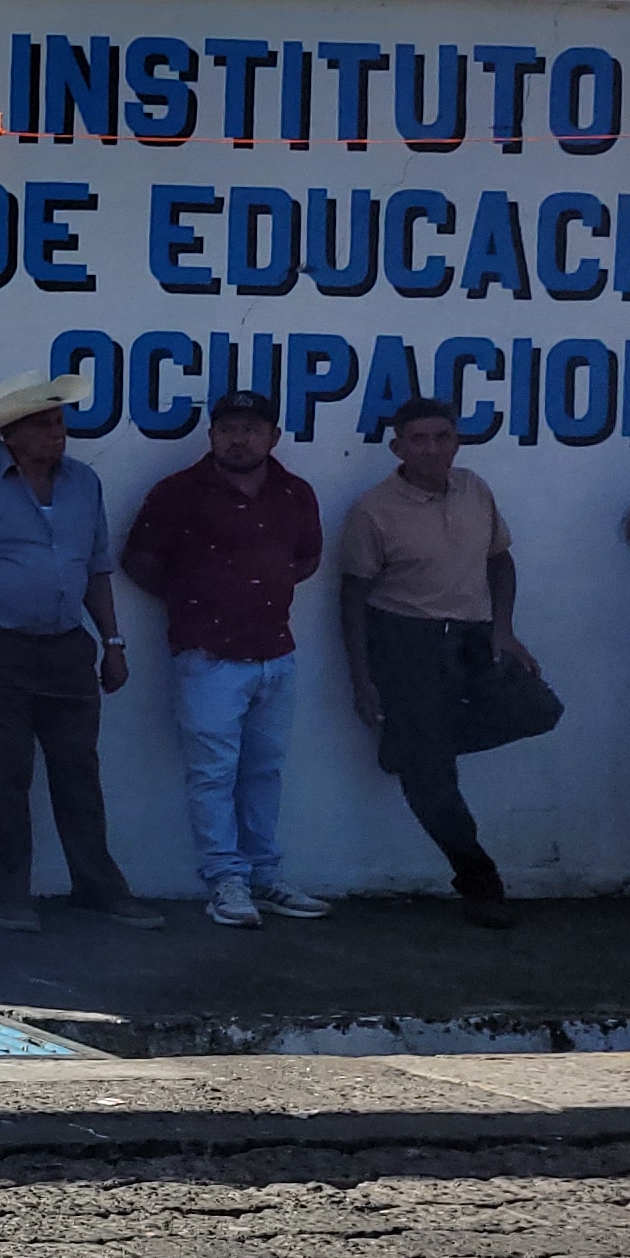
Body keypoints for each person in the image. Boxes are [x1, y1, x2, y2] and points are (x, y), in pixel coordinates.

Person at [0, 369, 162, 935]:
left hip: (66, 647)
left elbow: (97, 569)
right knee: (4, 774)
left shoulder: (84, 484)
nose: (57, 434)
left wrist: (113, 642)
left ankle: (97, 887)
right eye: (42, 425)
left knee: (79, 771)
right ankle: (7, 894)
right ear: (9, 434)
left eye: (59, 422)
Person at [119, 388, 336, 930]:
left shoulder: (294, 493)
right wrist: (198, 599)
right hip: (207, 655)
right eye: (228, 428)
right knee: (212, 773)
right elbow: (139, 560)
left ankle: (265, 875)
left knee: (264, 771)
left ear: (273, 437)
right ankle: (225, 881)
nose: (240, 439)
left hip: (275, 651)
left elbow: (308, 556)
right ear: (212, 434)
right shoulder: (178, 493)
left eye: (252, 429)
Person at [341, 394, 535, 927]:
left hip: (471, 637)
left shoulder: (475, 489)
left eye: (442, 437)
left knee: (540, 710)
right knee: (434, 780)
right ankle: (480, 883)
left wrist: (504, 630)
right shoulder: (373, 509)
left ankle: (410, 744)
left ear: (457, 440)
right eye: (419, 439)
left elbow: (501, 561)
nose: (432, 448)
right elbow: (353, 597)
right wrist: (363, 680)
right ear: (397, 446)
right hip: (406, 642)